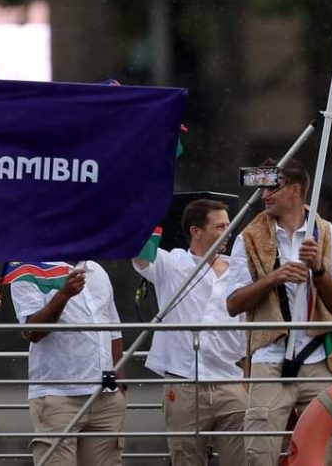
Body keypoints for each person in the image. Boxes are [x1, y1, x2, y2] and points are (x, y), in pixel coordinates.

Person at [224, 159, 332, 466]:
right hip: (270, 358)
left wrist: (318, 270)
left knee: (321, 454)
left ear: (296, 190)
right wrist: (273, 277)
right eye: (262, 187)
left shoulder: (328, 234)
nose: (264, 194)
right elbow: (233, 304)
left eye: (272, 187)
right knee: (259, 452)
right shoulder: (248, 237)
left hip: (321, 358)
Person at [132, 199, 246, 466]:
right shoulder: (171, 264)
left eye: (228, 226)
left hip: (232, 380)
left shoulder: (242, 270)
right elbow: (137, 248)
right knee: (186, 460)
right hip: (184, 383)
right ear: (196, 231)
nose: (228, 232)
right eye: (220, 226)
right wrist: (144, 196)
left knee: (242, 460)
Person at [11, 260, 126, 465]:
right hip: (58, 397)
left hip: (105, 398)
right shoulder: (27, 270)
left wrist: (121, 385)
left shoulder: (98, 270)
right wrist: (63, 295)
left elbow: (113, 329)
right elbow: (32, 332)